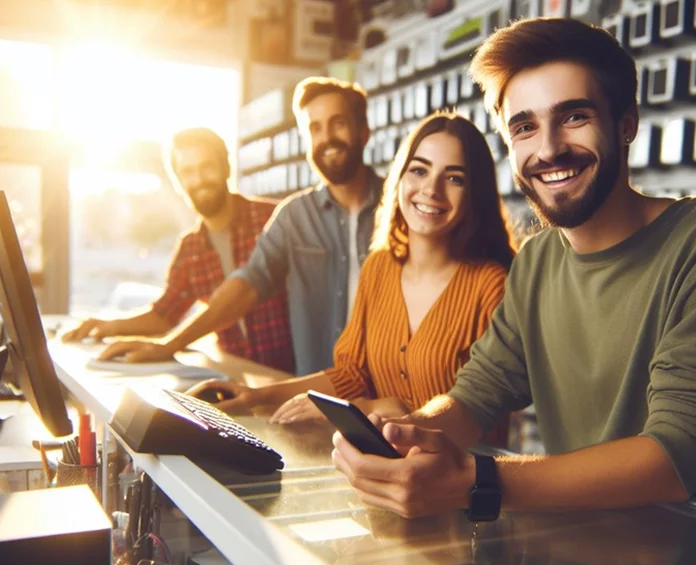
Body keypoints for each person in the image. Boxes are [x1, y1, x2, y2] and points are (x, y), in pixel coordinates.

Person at [331, 17, 696, 519]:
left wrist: (476, 481)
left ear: (626, 122)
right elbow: (474, 397)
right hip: (580, 559)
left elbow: (675, 456)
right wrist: (404, 436)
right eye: (524, 127)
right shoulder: (536, 262)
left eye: (574, 117)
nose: (547, 149)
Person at [187, 113, 517, 442]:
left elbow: (476, 410)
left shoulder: (492, 286)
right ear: (400, 178)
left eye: (455, 178)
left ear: (476, 194)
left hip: (461, 483)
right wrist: (257, 396)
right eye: (419, 170)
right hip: (376, 468)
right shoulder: (379, 268)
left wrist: (374, 408)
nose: (431, 189)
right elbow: (351, 375)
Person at [96, 77, 384, 375]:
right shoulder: (293, 218)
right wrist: (144, 338)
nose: (326, 138)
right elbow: (246, 284)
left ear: (363, 133)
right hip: (300, 390)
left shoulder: (401, 210)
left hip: (381, 395)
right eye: (315, 128)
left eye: (338, 124)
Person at [62, 128, 295, 372]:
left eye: (207, 167)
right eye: (188, 172)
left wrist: (168, 345)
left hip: (293, 377)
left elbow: (244, 293)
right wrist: (107, 326)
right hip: (238, 377)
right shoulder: (190, 248)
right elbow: (164, 315)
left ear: (226, 168)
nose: (199, 179)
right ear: (179, 182)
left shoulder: (274, 219)